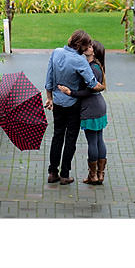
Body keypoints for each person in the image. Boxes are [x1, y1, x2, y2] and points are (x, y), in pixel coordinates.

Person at [44, 29, 104, 185]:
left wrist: (49, 97)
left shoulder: (56, 52)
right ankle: (65, 175)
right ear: (81, 45)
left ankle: (52, 172)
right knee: (70, 139)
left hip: (57, 102)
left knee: (57, 136)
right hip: (73, 104)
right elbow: (92, 84)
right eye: (87, 45)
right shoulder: (80, 60)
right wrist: (102, 87)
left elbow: (49, 78)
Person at [58, 39, 108, 185]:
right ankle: (100, 174)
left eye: (91, 46)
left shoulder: (92, 68)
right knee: (99, 140)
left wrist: (70, 92)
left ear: (95, 51)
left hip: (90, 107)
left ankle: (93, 176)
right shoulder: (97, 67)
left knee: (93, 141)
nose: (87, 47)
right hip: (98, 105)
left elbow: (87, 91)